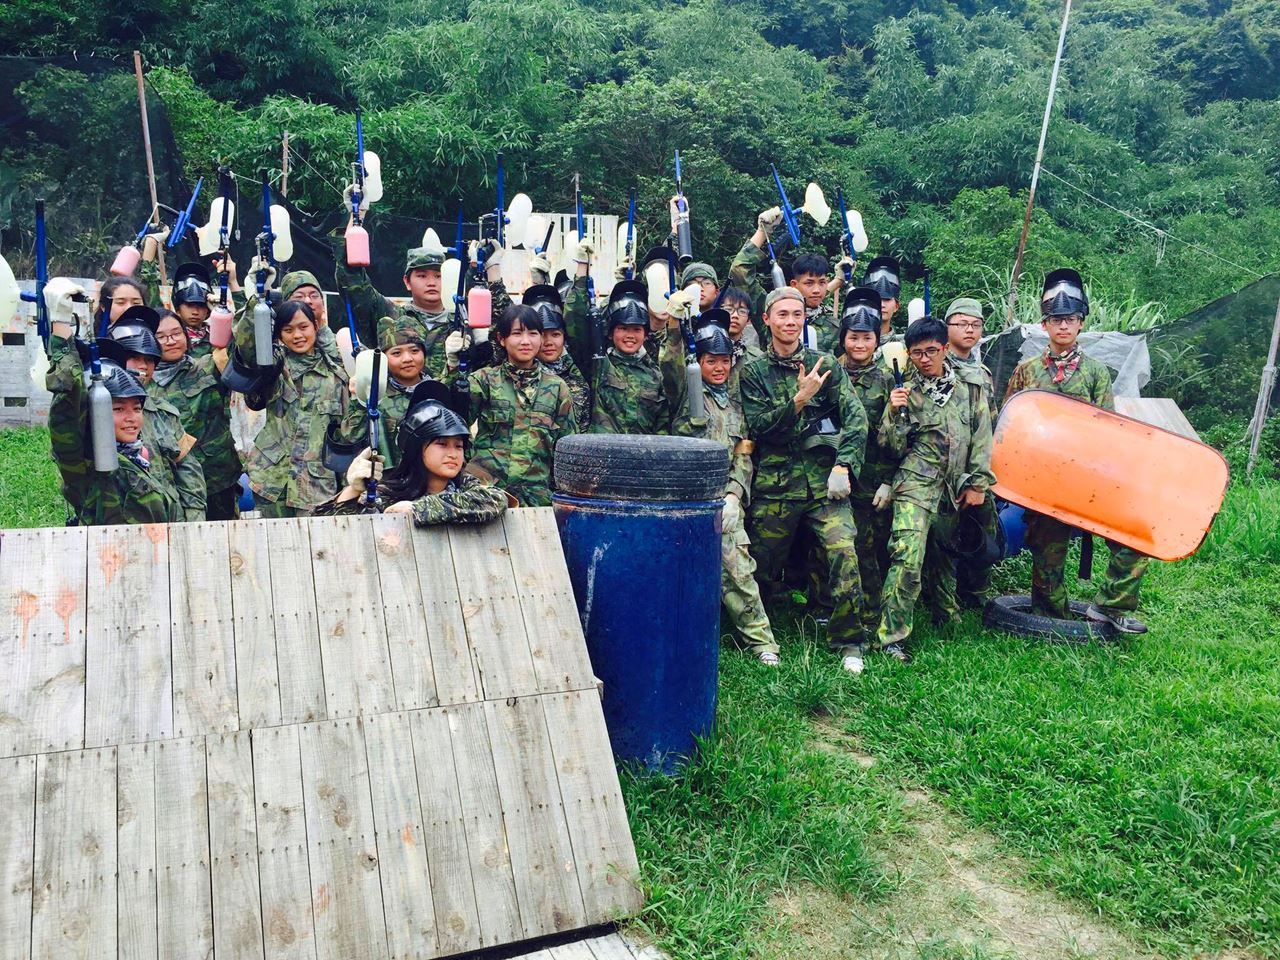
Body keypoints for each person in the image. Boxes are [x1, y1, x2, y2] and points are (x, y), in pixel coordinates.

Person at [1004, 269, 1150, 634]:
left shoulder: (1096, 373)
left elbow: (1108, 430)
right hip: (1043, 484)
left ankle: (1111, 606)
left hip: (1088, 480)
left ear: (1081, 322)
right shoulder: (1026, 371)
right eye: (1056, 320)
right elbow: (1009, 425)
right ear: (1044, 324)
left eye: (1070, 319)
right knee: (1047, 555)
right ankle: (1051, 620)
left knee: (1133, 537)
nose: (1063, 326)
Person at [739, 287, 869, 672]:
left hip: (825, 485)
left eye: (797, 314)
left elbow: (856, 418)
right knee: (760, 565)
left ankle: (848, 641)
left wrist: (844, 465)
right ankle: (755, 633)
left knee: (844, 551)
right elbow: (760, 428)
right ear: (767, 319)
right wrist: (800, 399)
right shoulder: (754, 372)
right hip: (776, 486)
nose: (791, 322)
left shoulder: (824, 364)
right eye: (782, 314)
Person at [661, 307, 779, 664]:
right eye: (711, 360)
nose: (719, 368)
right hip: (683, 498)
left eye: (725, 361)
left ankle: (762, 643)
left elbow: (744, 452)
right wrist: (674, 325)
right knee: (674, 573)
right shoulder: (686, 389)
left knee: (738, 570)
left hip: (723, 500)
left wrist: (734, 494)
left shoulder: (737, 402)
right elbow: (670, 361)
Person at [876, 316, 994, 663]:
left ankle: (945, 613)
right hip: (915, 482)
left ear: (944, 348)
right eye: (917, 353)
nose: (925, 359)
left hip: (953, 485)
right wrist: (894, 413)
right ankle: (891, 637)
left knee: (944, 553)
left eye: (931, 351)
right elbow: (890, 447)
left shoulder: (970, 387)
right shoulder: (903, 389)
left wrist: (978, 483)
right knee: (907, 555)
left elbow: (982, 437)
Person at [320, 382, 508, 525]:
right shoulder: (390, 493)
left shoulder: (465, 486)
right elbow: (328, 529)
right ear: (417, 448)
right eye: (442, 444)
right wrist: (352, 490)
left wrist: (419, 509)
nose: (453, 454)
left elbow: (496, 500)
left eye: (458, 446)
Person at [448, 303, 576, 506]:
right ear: (502, 339)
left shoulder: (557, 388)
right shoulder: (485, 380)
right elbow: (451, 421)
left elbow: (567, 449)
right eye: (517, 333)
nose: (526, 341)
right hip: (485, 494)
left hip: (535, 501)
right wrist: (452, 367)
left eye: (533, 333)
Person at [234, 299, 349, 517]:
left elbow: (344, 436)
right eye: (288, 330)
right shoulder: (274, 367)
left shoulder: (336, 376)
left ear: (316, 326)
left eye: (303, 327)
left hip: (316, 486)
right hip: (272, 481)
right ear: (279, 334)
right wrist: (256, 304)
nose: (297, 335)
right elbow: (247, 348)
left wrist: (348, 485)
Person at [96, 307, 208, 521]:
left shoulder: (165, 413)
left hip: (170, 525)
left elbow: (188, 472)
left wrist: (194, 521)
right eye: (133, 357)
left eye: (149, 360)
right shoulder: (94, 413)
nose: (142, 366)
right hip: (116, 527)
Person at [838, 287, 900, 636]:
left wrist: (888, 480)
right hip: (835, 473)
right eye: (853, 337)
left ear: (877, 340)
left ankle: (871, 613)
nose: (859, 344)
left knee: (867, 549)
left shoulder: (887, 379)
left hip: (872, 479)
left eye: (866, 338)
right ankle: (829, 608)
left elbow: (895, 437)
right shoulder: (830, 372)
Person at [151, 309, 242, 520]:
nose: (171, 341)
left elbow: (241, 347)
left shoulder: (208, 367)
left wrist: (236, 300)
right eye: (161, 337)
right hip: (170, 483)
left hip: (217, 479)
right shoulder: (143, 383)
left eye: (176, 333)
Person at [564, 256, 670, 435]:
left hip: (641, 452)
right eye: (623, 328)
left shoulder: (655, 375)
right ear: (611, 333)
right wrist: (582, 270)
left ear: (645, 334)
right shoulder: (598, 364)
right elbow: (576, 323)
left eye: (636, 329)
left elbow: (663, 427)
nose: (630, 335)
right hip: (601, 452)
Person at [943, 297, 1002, 607]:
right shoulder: (936, 367)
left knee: (982, 530)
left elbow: (990, 424)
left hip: (976, 467)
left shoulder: (982, 373)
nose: (969, 330)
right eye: (962, 323)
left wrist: (980, 478)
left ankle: (974, 594)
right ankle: (939, 595)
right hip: (943, 468)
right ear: (947, 327)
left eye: (976, 325)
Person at [525, 284, 591, 430]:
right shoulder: (521, 374)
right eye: (541, 335)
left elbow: (577, 318)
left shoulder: (577, 370)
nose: (548, 342)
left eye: (555, 335)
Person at [169, 262, 215, 358]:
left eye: (201, 305)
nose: (195, 312)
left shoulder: (217, 335)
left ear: (208, 309)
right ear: (178, 308)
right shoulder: (169, 338)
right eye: (189, 305)